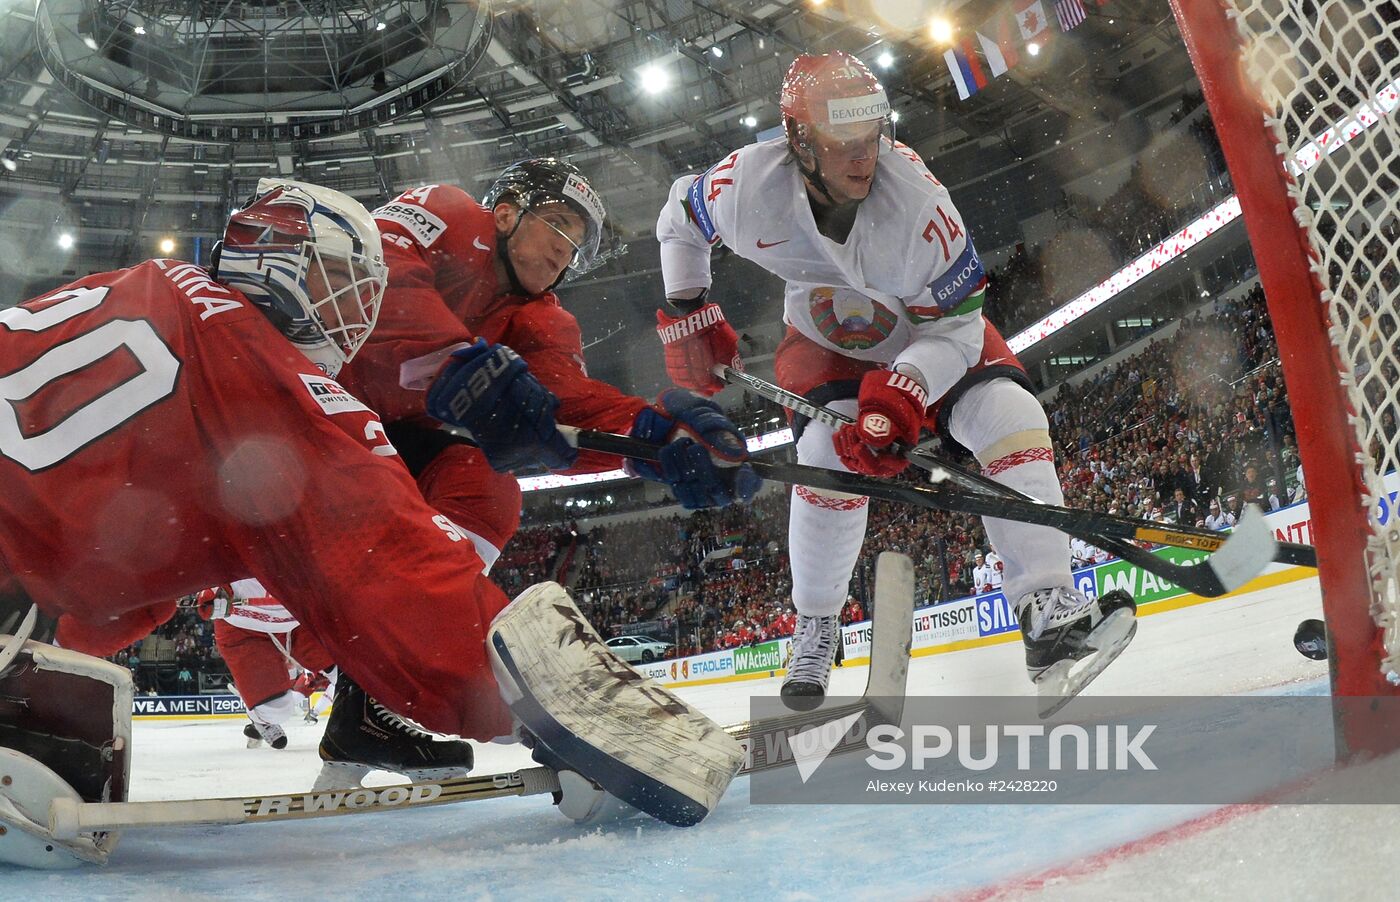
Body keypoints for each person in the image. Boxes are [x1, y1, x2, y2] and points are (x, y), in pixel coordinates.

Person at [0, 180, 744, 860]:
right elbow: (394, 572)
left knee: (132, 586)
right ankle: (343, 676)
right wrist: (562, 713)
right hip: (317, 457)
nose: (353, 309)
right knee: (366, 565)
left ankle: (42, 670)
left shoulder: (147, 283)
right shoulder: (432, 233)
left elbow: (558, 414)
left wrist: (655, 436)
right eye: (338, 284)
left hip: (139, 507)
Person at [654, 51, 1134, 705]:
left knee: (1011, 417)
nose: (864, 155)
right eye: (842, 140)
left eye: (873, 134)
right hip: (826, 345)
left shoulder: (921, 208)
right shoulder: (743, 189)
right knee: (825, 453)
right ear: (797, 138)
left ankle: (1047, 607)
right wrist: (689, 308)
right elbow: (679, 215)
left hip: (930, 334)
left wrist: (906, 383)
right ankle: (817, 626)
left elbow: (961, 330)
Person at [338, 159, 760, 581]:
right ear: (505, 214)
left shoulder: (543, 320)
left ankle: (411, 605)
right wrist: (457, 360)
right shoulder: (451, 212)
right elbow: (373, 268)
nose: (564, 251)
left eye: (575, 247)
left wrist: (652, 433)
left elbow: (565, 406)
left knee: (487, 494)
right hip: (310, 390)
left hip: (381, 432)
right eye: (558, 225)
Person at [194, 580, 337, 752]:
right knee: (277, 709)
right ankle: (261, 717)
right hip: (244, 625)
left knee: (353, 672)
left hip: (299, 617)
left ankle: (362, 731)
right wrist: (214, 590)